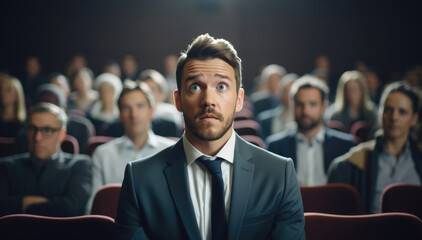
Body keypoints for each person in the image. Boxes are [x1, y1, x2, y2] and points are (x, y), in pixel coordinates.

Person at [114, 34, 305, 240]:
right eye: (195, 87)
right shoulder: (140, 179)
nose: (208, 100)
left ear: (239, 99)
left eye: (221, 86)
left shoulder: (279, 174)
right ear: (177, 101)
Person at [328, 82, 422, 213]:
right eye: (388, 110)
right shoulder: (351, 163)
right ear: (380, 113)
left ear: (414, 119)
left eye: (402, 112)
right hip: (369, 230)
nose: (394, 117)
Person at [89, 81, 175, 211]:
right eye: (126, 108)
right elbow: (93, 207)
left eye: (140, 106)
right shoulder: (102, 154)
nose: (133, 114)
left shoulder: (172, 151)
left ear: (152, 111)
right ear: (119, 115)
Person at [0, 102, 92, 217]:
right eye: (33, 129)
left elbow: (72, 208)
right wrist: (49, 205)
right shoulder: (6, 166)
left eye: (47, 130)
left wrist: (23, 204)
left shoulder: (80, 165)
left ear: (62, 134)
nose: (37, 137)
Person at [266, 75, 356, 186]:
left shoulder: (345, 146)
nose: (305, 111)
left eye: (312, 104)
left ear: (324, 106)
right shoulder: (275, 146)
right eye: (300, 104)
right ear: (292, 106)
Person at [257, 73, 298, 139]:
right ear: (280, 93)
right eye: (286, 92)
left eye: (292, 92)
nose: (289, 96)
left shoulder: (306, 120)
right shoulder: (265, 120)